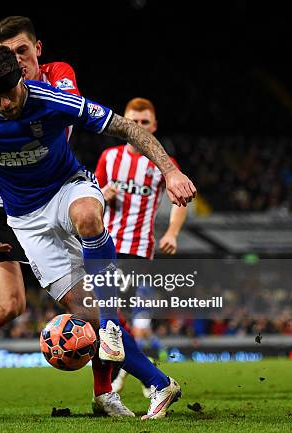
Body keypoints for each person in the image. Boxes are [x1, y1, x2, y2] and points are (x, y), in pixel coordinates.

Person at [0, 45, 196, 420]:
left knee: (88, 216)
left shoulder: (54, 100)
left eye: (11, 91)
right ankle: (159, 383)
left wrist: (170, 171)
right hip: (26, 221)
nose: (5, 103)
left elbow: (126, 126)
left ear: (23, 76)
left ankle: (110, 328)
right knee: (82, 312)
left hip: (67, 189)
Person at [0, 16, 126, 415]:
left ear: (38, 48)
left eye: (22, 52)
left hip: (53, 194)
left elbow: (61, 106)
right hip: (0, 208)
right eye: (6, 58)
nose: (16, 62)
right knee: (8, 307)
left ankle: (105, 392)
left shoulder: (58, 78)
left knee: (94, 305)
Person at [95, 97, 187, 396]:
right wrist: (102, 195)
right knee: (112, 319)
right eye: (132, 121)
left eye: (144, 122)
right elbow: (90, 197)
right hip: (105, 246)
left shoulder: (163, 163)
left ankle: (134, 375)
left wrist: (172, 232)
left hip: (138, 249)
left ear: (154, 126)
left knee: (117, 319)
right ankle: (141, 374)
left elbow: (180, 200)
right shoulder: (109, 157)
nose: (138, 127)